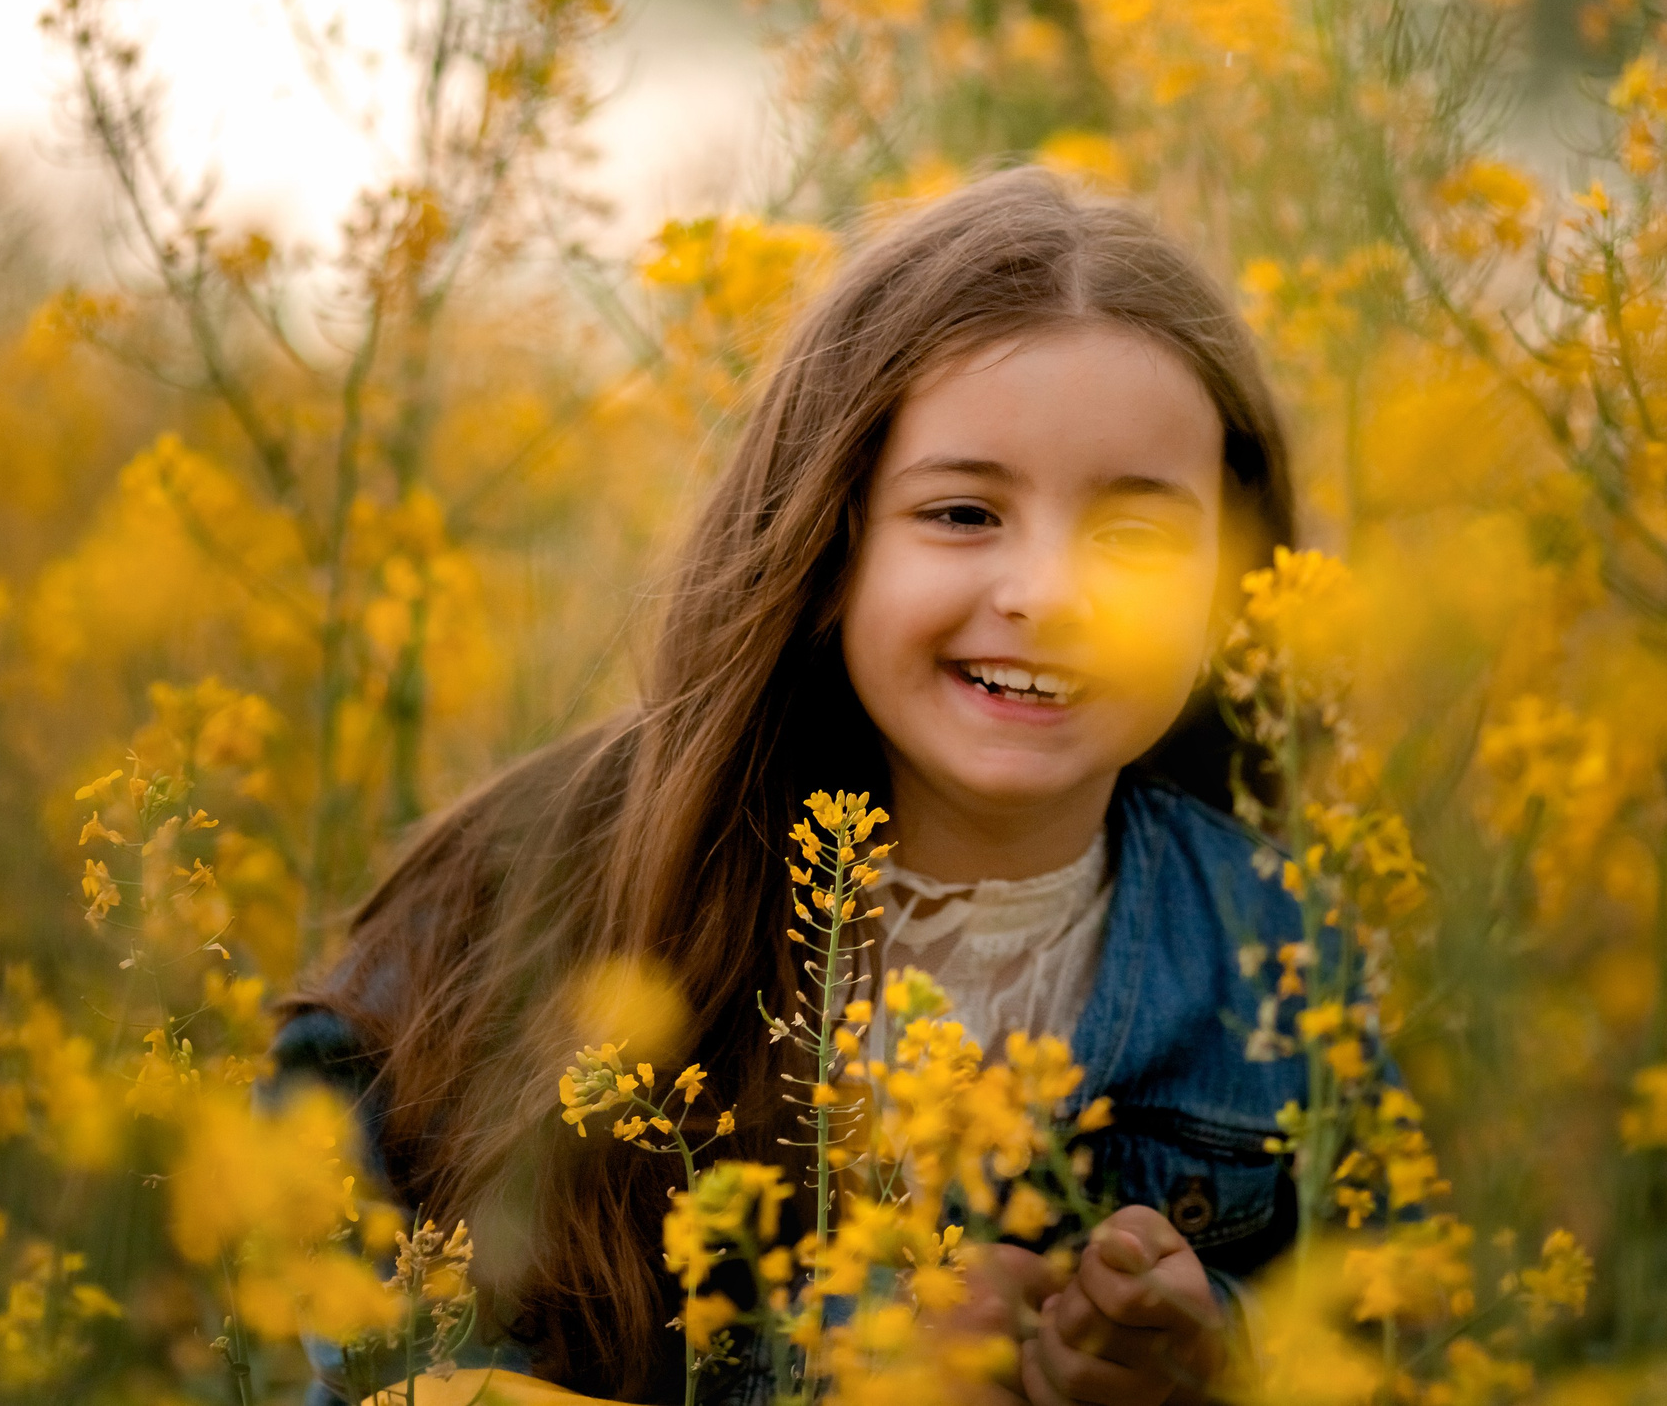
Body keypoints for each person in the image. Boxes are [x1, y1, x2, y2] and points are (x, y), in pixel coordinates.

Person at [274, 168, 1306, 1405]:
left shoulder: (1278, 948)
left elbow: (1382, 1321)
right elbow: (378, 1345)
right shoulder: (537, 887)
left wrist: (1213, 1355)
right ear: (827, 541)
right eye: (963, 513)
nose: (1051, 593)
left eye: (1136, 536)